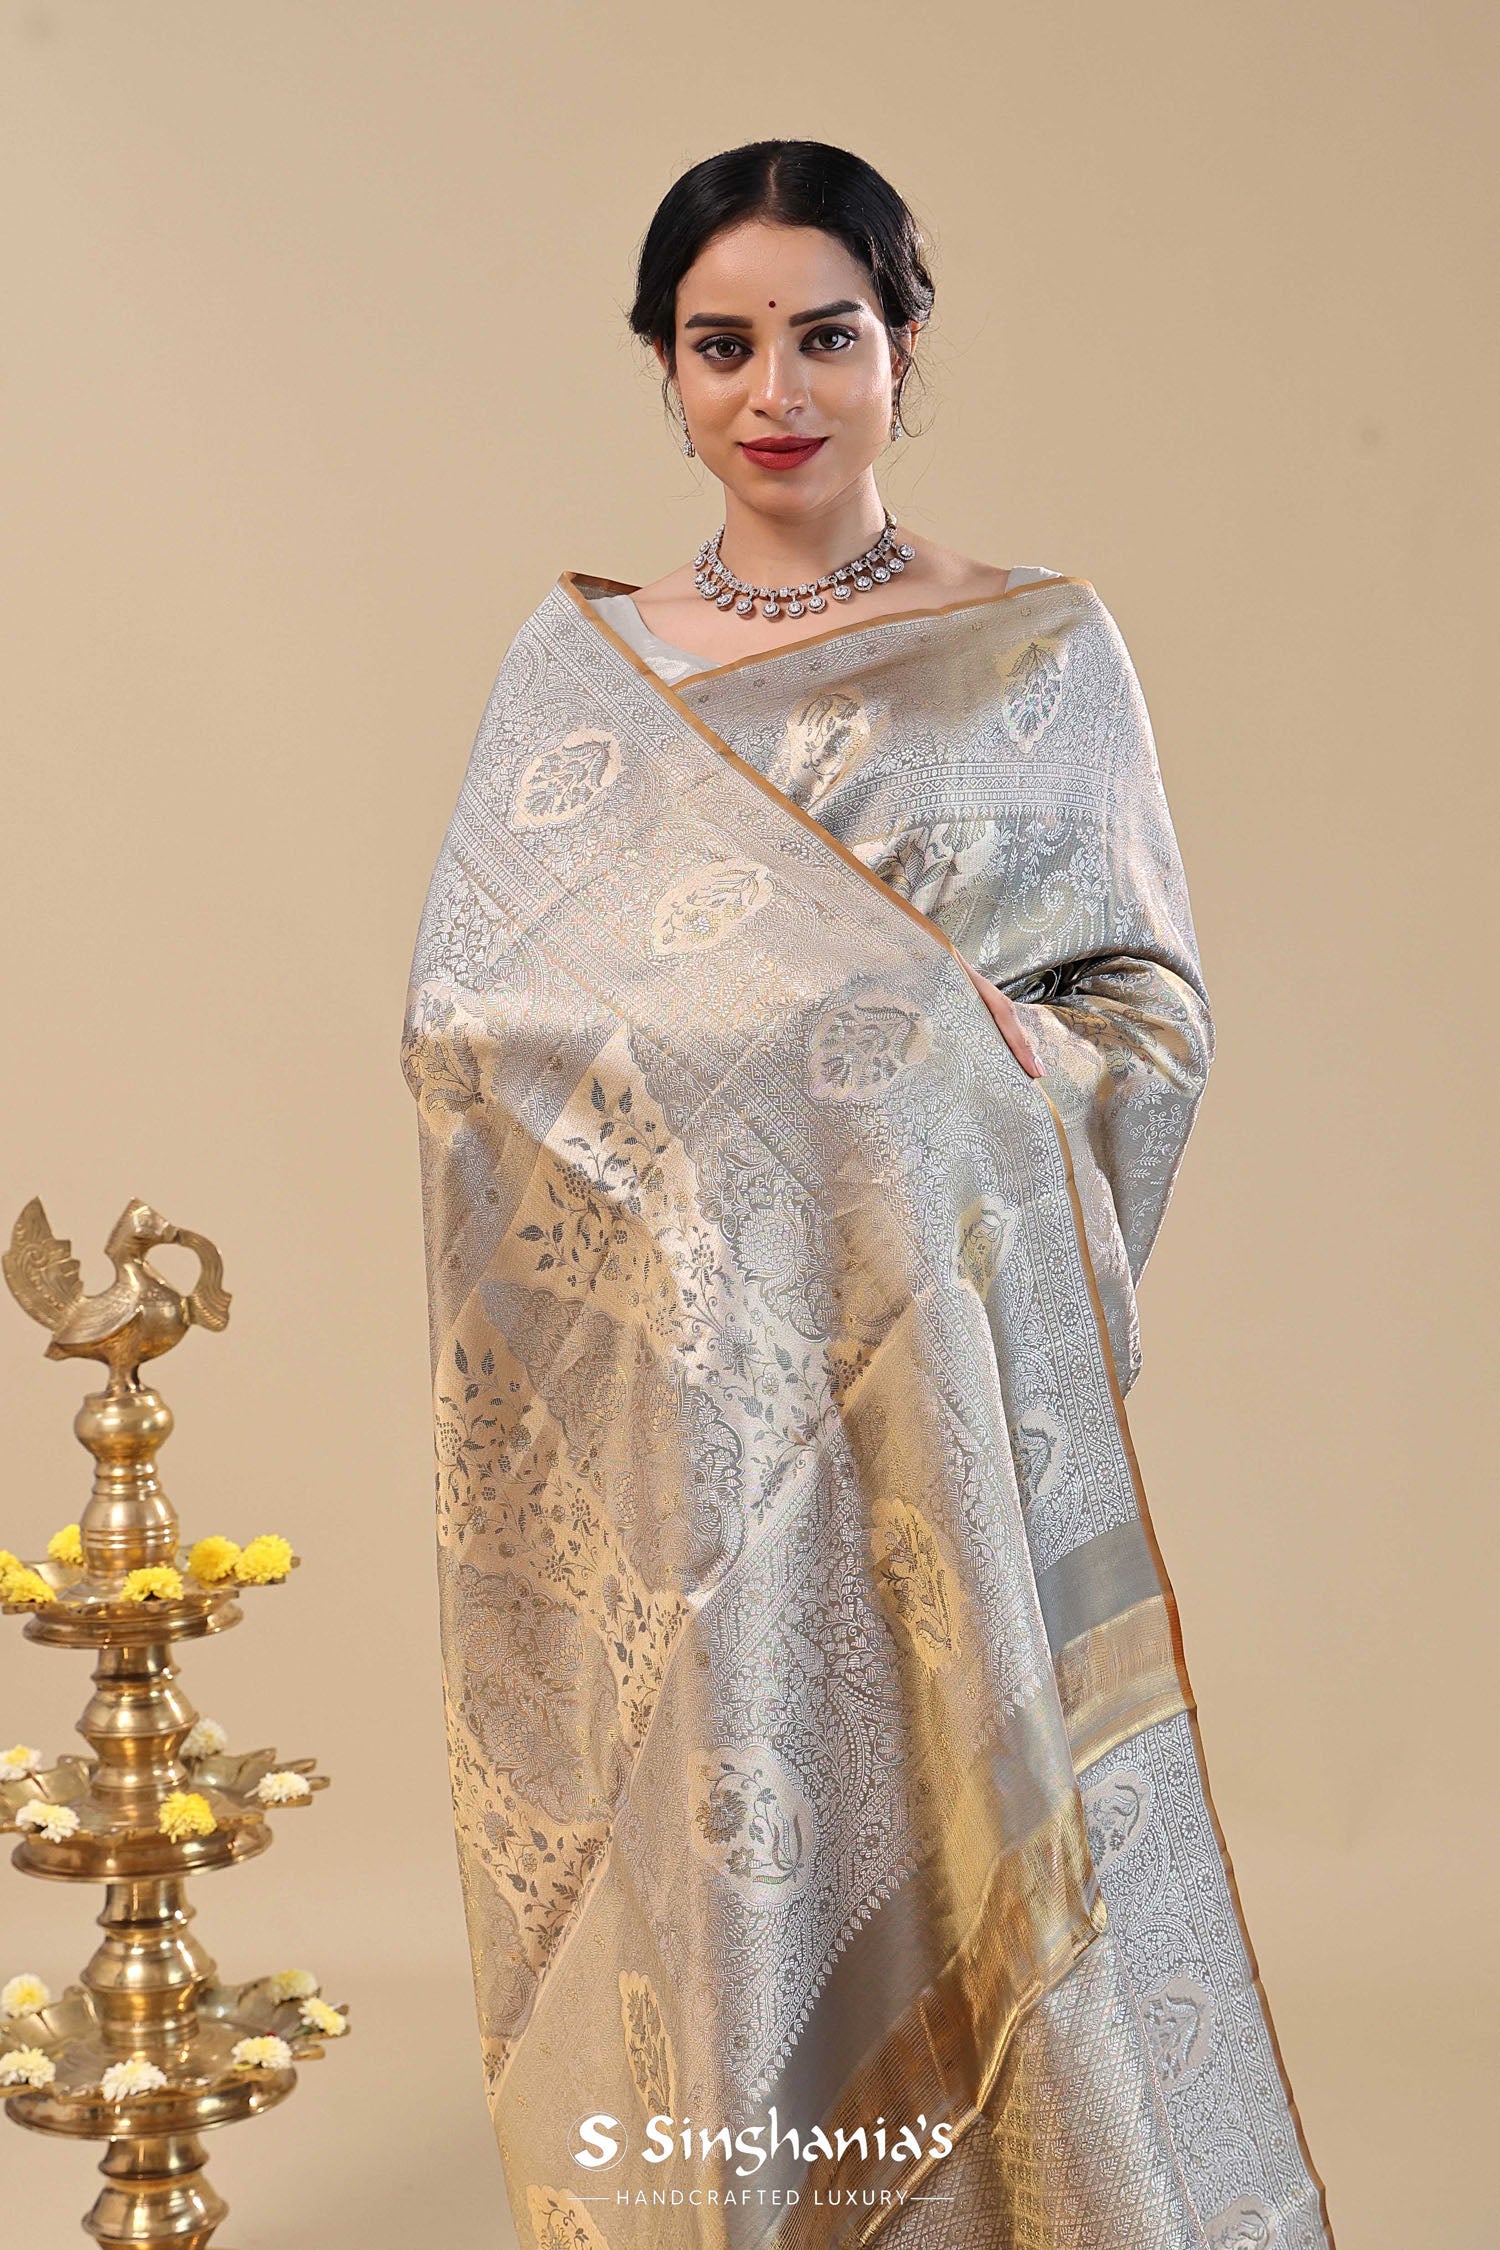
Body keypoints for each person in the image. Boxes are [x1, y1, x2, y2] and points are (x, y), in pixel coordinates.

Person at [402, 139, 1335, 2250]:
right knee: (728, 1820)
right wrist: (769, 1042)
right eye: (721, 345)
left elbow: (1144, 1013)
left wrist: (979, 1058)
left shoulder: (1032, 654)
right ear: (665, 373)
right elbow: (470, 1028)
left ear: (904, 346)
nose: (777, 393)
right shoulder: (586, 683)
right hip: (682, 1390)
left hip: (926, 1373)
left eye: (825, 337)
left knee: (944, 1788)